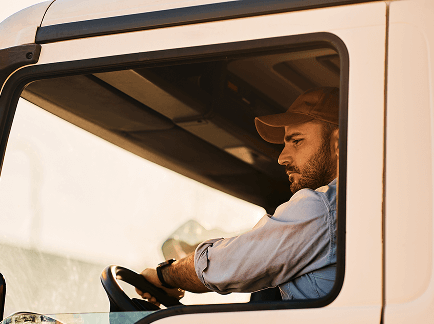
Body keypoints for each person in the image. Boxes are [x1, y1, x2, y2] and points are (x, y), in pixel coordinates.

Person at [137, 87, 340, 303]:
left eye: (296, 141)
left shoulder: (323, 207)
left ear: (339, 143)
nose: (282, 157)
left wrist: (165, 276)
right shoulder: (348, 208)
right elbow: (258, 244)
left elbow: (230, 264)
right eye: (285, 144)